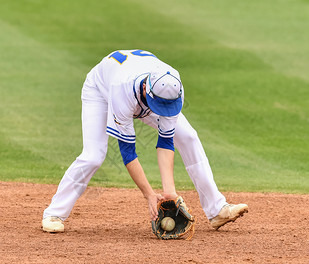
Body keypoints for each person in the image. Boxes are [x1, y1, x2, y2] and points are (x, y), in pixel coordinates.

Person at [42, 49, 248, 233]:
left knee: (188, 137)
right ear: (146, 91)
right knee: (93, 156)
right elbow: (128, 152)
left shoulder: (172, 88)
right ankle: (54, 213)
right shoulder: (122, 91)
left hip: (139, 90)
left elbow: (166, 142)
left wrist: (170, 193)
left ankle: (217, 209)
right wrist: (149, 194)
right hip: (101, 91)